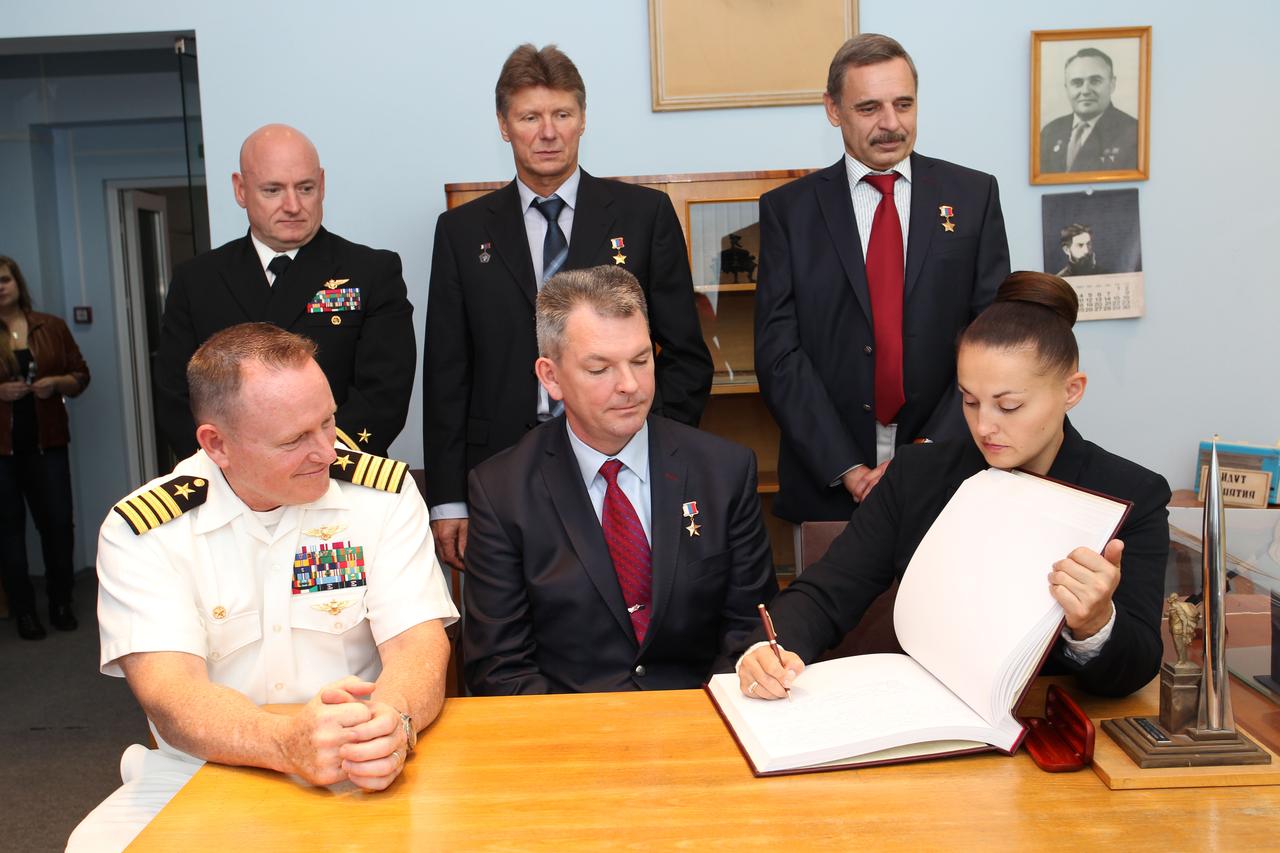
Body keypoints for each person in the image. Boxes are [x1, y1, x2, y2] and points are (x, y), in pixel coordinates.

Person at [69, 323, 457, 852]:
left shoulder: (382, 496)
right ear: (217, 444)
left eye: (328, 422)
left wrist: (394, 722)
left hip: (360, 760)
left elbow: (418, 644)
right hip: (203, 767)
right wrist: (284, 744)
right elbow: (171, 692)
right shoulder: (145, 529)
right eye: (294, 439)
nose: (326, 451)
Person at [737, 272, 1170, 701]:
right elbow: (827, 591)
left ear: (1071, 391)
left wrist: (1095, 624)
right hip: (930, 711)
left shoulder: (1131, 494)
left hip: (1053, 720)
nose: (984, 426)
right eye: (969, 400)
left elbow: (1136, 669)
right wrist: (767, 650)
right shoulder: (919, 474)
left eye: (1009, 406)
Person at [424, 43, 713, 572]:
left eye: (562, 114)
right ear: (504, 125)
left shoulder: (644, 215)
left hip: (623, 462)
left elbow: (686, 356)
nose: (548, 132)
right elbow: (446, 373)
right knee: (512, 612)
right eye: (529, 117)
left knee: (630, 599)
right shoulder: (462, 232)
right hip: (502, 467)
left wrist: (647, 440)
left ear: (583, 120)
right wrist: (448, 500)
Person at [463, 266, 775, 694]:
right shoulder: (502, 491)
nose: (630, 385)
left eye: (641, 361)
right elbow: (501, 669)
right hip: (570, 723)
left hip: (702, 713)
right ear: (551, 377)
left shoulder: (724, 471)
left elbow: (749, 634)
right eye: (599, 369)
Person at [754, 33, 1010, 524]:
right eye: (869, 107)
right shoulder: (789, 211)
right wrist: (847, 468)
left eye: (903, 104)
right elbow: (779, 352)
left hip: (948, 470)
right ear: (833, 109)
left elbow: (994, 339)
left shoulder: (972, 195)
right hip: (828, 477)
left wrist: (926, 452)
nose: (891, 123)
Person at [154, 124, 415, 459]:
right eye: (273, 190)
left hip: (336, 469)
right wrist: (233, 468)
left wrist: (310, 460)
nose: (292, 205)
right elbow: (176, 394)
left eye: (305, 188)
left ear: (322, 185)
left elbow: (384, 394)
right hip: (232, 477)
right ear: (241, 190)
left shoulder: (371, 271)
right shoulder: (197, 280)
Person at [0, 255, 90, 640]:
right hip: (2, 452)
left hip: (47, 444)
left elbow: (81, 375)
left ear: (16, 282)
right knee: (8, 532)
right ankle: (24, 611)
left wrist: (57, 384)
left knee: (57, 525)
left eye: (4, 279)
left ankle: (61, 602)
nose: (0, 287)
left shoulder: (50, 326)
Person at [1039, 47, 1139, 174]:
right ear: (1067, 88)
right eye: (1077, 83)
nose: (1085, 91)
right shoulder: (1050, 132)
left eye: (1095, 81)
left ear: (1112, 84)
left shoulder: (1134, 133)